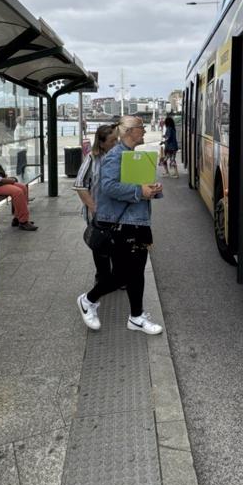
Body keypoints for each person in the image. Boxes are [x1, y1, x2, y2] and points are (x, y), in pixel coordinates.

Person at [76, 115, 164, 335]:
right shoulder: (115, 156)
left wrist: (153, 190)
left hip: (137, 222)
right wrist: (139, 191)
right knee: (124, 274)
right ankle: (88, 300)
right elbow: (109, 187)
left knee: (136, 272)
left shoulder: (132, 156)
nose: (144, 131)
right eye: (141, 127)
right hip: (122, 225)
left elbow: (136, 186)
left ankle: (136, 317)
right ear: (128, 131)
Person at [73, 123, 119, 285]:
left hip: (117, 211)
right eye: (112, 140)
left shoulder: (120, 156)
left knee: (116, 244)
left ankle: (117, 275)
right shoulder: (92, 159)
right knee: (100, 245)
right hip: (98, 211)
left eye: (117, 139)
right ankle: (102, 276)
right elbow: (80, 185)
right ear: (101, 142)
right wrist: (94, 208)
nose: (116, 143)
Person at [0, 135, 37, 231]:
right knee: (17, 192)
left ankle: (17, 218)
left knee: (23, 187)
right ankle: (23, 221)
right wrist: (5, 180)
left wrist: (5, 178)